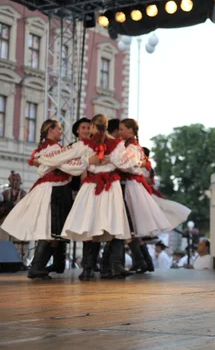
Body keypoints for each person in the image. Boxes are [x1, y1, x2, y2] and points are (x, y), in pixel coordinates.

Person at [35, 114, 141, 280]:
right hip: (110, 188)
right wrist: (111, 161)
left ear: (93, 127)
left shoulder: (84, 145)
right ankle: (108, 267)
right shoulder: (117, 144)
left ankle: (88, 270)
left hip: (92, 187)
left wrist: (43, 159)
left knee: (89, 226)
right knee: (109, 226)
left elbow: (64, 157)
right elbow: (127, 163)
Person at [1, 120, 91, 279]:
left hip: (49, 188)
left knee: (52, 230)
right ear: (51, 130)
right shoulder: (56, 148)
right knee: (52, 229)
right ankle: (38, 267)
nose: (61, 132)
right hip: (55, 189)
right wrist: (86, 162)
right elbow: (70, 167)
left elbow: (42, 168)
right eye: (59, 129)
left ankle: (50, 264)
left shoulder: (41, 149)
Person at [118, 118, 174, 273]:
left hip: (130, 186)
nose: (120, 132)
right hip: (131, 186)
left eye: (123, 129)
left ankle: (140, 261)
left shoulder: (132, 148)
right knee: (131, 227)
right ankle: (143, 262)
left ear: (130, 130)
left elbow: (126, 164)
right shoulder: (132, 147)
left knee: (129, 226)